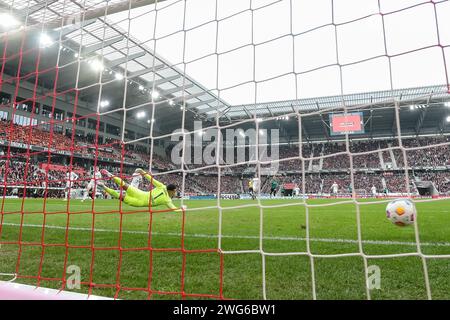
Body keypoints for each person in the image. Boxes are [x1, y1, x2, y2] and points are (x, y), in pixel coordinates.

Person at [98, 168, 186, 212]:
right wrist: (142, 171)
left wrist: (181, 209)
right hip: (141, 195)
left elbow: (174, 209)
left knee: (120, 196)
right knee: (125, 185)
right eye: (174, 191)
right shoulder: (162, 188)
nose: (175, 192)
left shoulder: (168, 200)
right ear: (171, 190)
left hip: (139, 202)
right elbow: (151, 179)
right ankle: (109, 174)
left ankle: (104, 187)